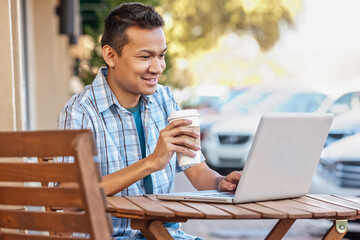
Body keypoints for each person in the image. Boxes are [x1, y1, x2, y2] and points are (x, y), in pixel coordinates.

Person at [58, 2, 241, 239]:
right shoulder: (80, 112)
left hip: (165, 235)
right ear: (110, 55)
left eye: (161, 56)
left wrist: (220, 182)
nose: (157, 67)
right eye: (145, 56)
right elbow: (69, 199)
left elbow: (197, 172)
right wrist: (152, 162)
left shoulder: (165, 99)